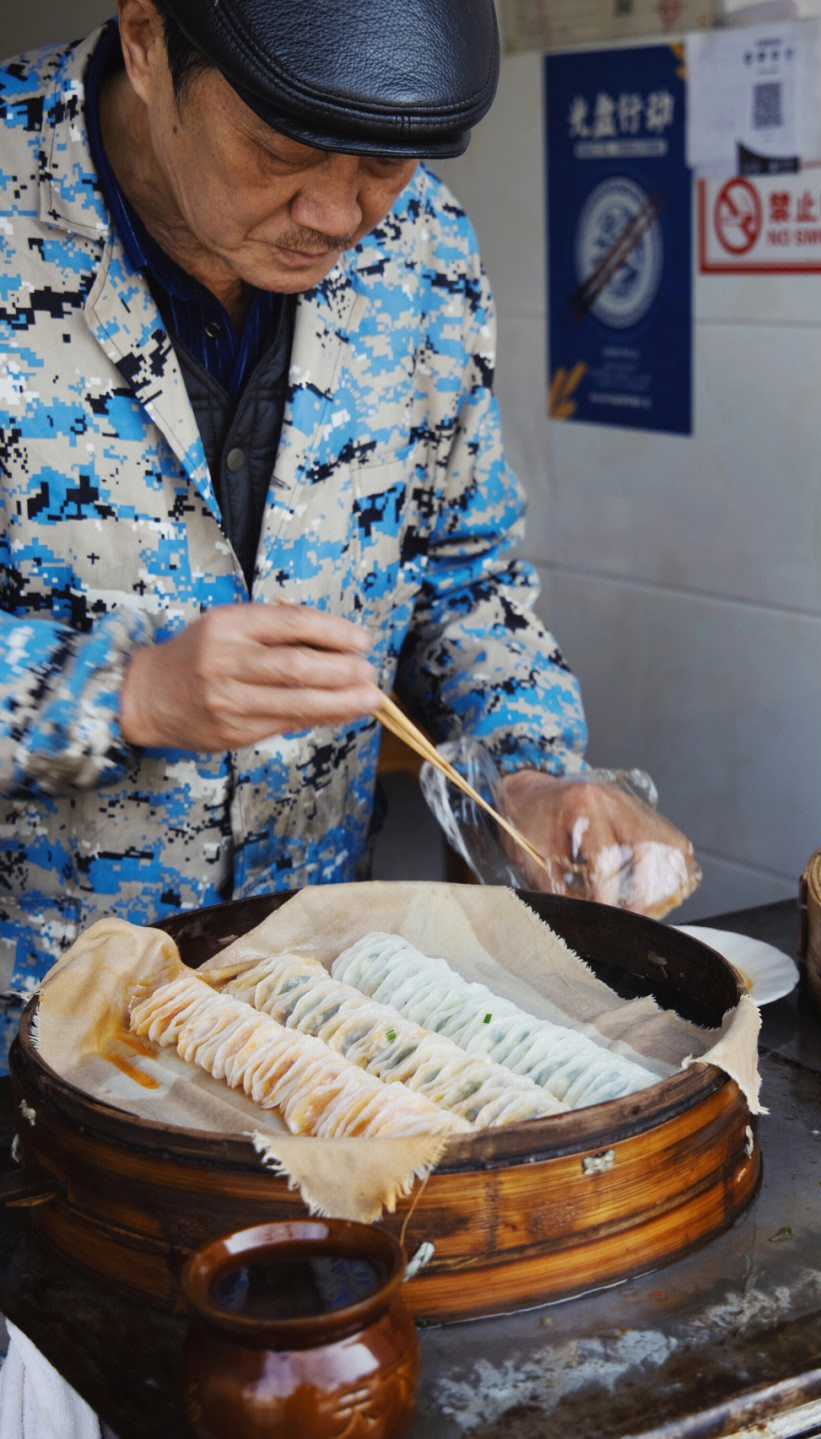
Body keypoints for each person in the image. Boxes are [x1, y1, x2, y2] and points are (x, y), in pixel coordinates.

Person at [0, 0, 698, 1063]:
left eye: (384, 166)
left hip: (316, 1009)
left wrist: (533, 770)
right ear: (147, 42)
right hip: (34, 1018)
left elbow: (468, 577)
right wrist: (128, 692)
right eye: (283, 152)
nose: (338, 214)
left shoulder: (425, 255)